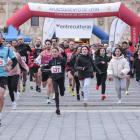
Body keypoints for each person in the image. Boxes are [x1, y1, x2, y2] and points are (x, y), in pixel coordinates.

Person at [0, 32, 17, 126]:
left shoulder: (6, 48)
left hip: (2, 75)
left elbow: (15, 60)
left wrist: (10, 68)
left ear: (1, 37)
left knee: (1, 96)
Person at [43, 47, 67, 115]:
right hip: (54, 79)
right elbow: (48, 66)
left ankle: (63, 89)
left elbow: (67, 63)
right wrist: (43, 67)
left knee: (62, 93)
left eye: (55, 52)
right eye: (53, 52)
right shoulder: (51, 61)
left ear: (57, 52)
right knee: (56, 93)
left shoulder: (62, 60)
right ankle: (57, 108)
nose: (54, 53)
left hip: (61, 78)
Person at [7, 44, 29, 110]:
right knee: (10, 89)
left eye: (9, 46)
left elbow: (21, 62)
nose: (8, 47)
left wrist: (26, 68)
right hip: (7, 73)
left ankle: (16, 92)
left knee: (14, 85)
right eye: (7, 46)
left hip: (16, 72)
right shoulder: (3, 55)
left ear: (12, 47)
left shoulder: (16, 54)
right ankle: (13, 103)